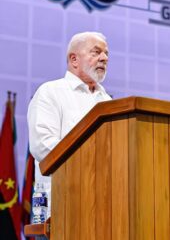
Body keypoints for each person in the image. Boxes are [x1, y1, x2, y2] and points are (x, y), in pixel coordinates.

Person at [27, 32, 112, 214]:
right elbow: (43, 146)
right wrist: (92, 163)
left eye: (106, 54)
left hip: (101, 207)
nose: (104, 58)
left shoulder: (108, 101)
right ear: (74, 59)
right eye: (96, 52)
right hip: (57, 207)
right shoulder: (50, 92)